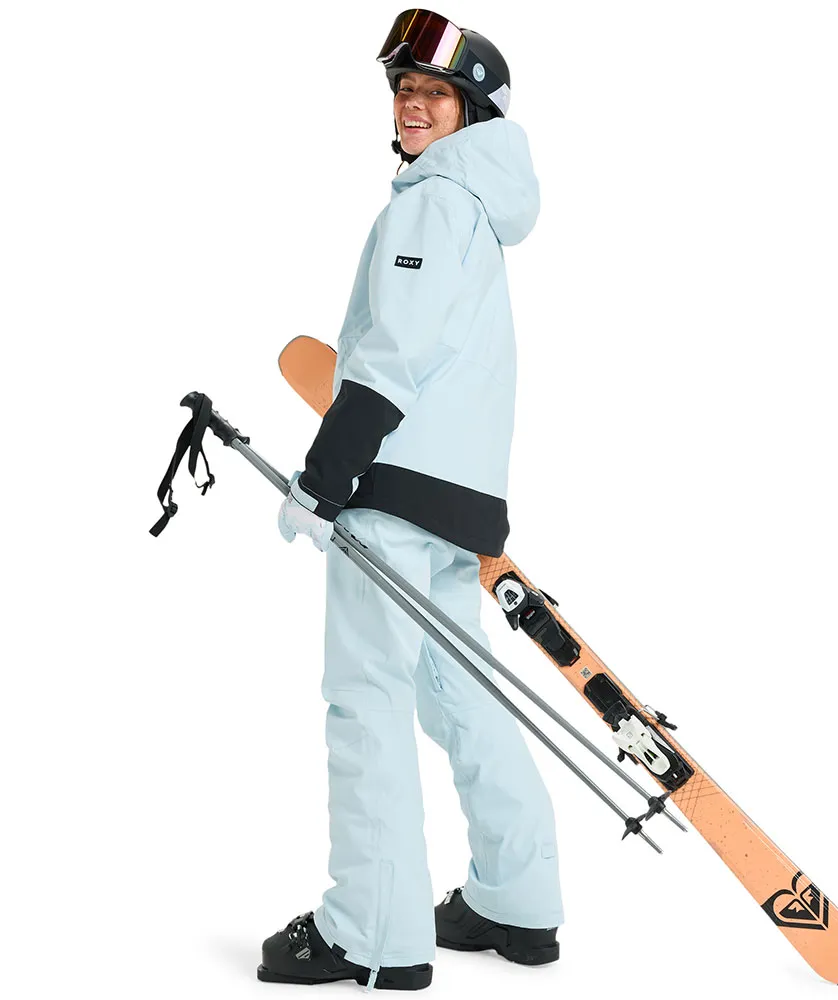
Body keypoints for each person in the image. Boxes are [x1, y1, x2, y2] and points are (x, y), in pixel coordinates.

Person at [261, 9, 564, 990]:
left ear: (473, 111)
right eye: (403, 89)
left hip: (392, 495)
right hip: (458, 500)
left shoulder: (433, 203)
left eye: (434, 92)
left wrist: (326, 476)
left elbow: (394, 354)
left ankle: (370, 933)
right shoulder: (481, 210)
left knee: (367, 700)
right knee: (458, 690)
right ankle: (516, 898)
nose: (412, 105)